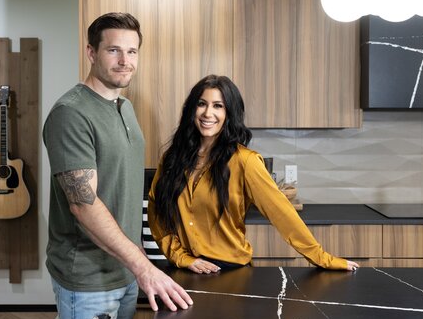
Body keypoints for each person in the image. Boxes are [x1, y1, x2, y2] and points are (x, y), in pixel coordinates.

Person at [43, 12, 192, 319]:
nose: (125, 61)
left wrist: (138, 263)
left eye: (132, 51)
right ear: (91, 52)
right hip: (89, 279)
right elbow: (83, 204)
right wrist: (145, 268)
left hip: (125, 269)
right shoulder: (71, 113)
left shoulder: (124, 106)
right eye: (113, 50)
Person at [148, 74, 359, 274]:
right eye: (202, 104)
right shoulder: (173, 158)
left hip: (229, 271)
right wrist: (180, 256)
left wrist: (322, 258)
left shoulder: (245, 161)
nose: (207, 113)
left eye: (218, 106)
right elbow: (156, 209)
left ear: (229, 113)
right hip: (184, 270)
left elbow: (282, 213)